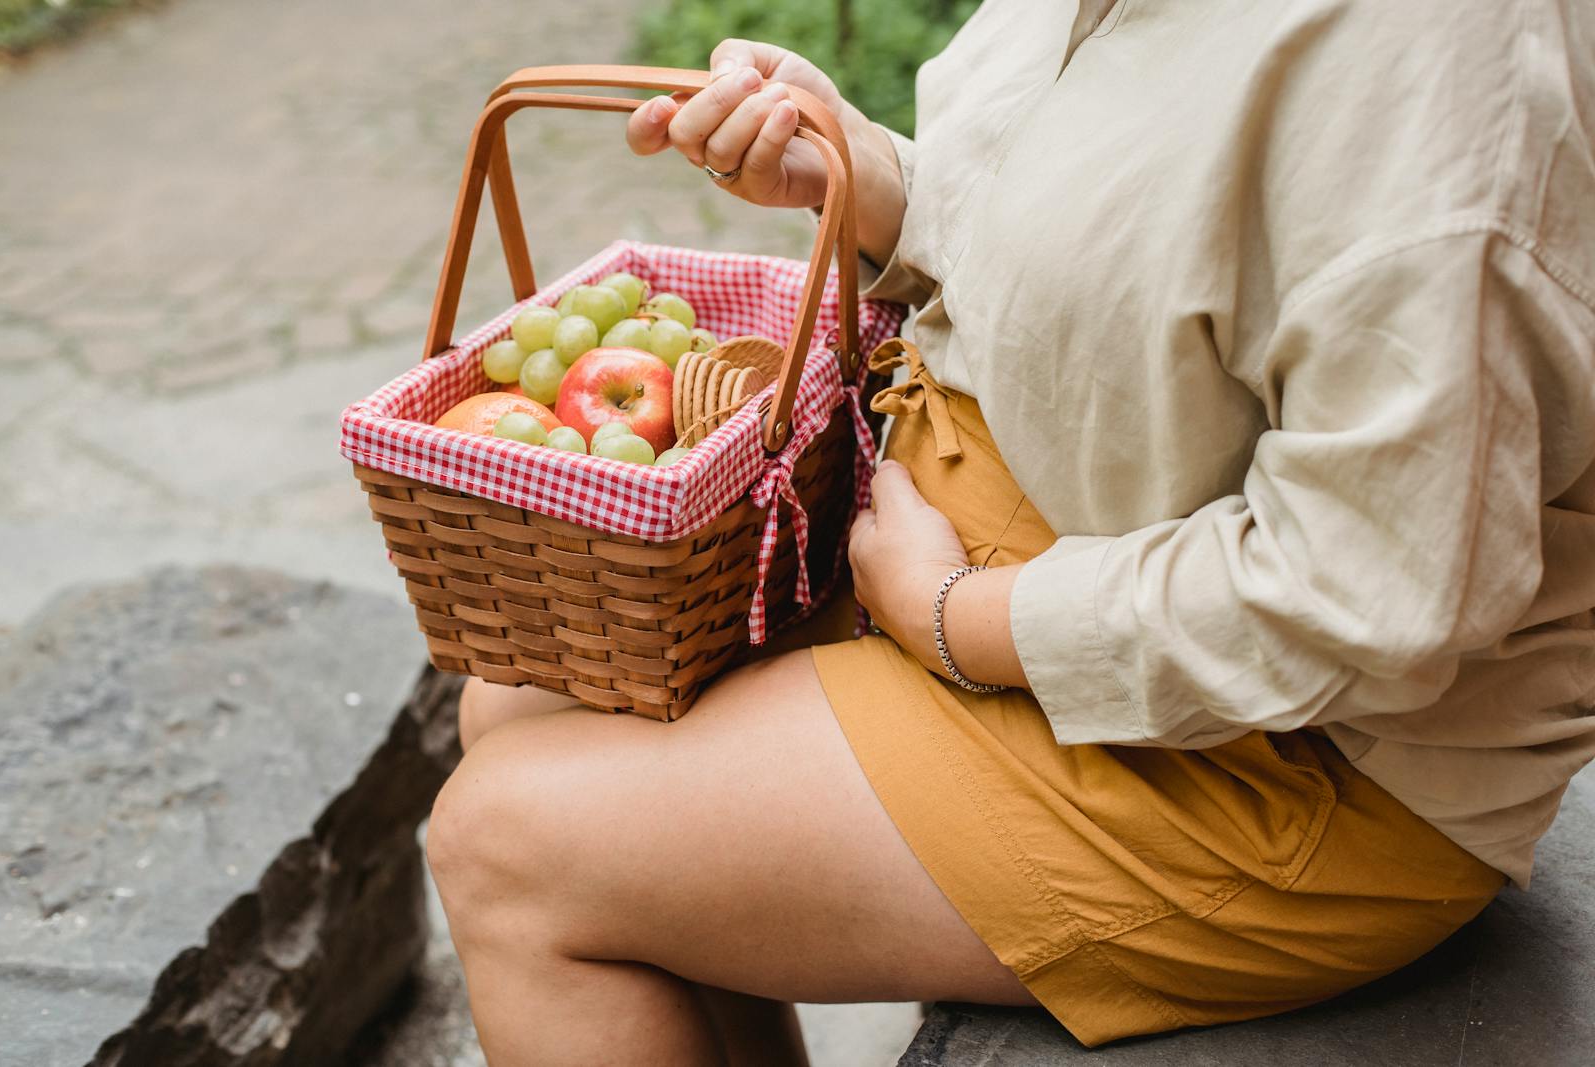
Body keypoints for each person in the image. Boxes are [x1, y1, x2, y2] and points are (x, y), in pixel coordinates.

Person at [425, 2, 1595, 1063]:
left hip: (1278, 755)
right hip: (1025, 531)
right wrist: (873, 176)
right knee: (522, 699)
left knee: (506, 849)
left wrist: (958, 617)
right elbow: (1134, 238)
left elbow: (1373, 588)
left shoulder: (1435, 64)